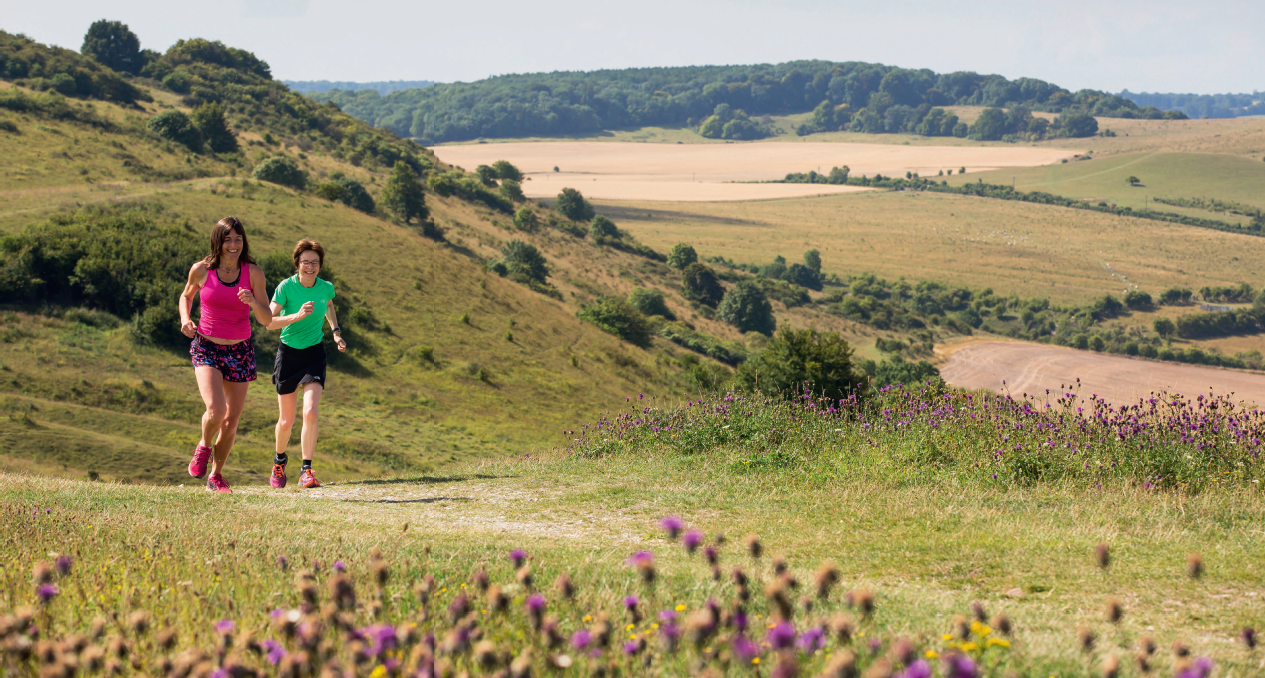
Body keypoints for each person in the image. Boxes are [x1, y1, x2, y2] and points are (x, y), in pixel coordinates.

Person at [179, 216, 272, 494]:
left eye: (238, 239)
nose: (233, 245)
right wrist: (185, 318)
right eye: (228, 239)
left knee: (231, 421)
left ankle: (216, 477)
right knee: (216, 411)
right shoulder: (201, 270)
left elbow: (267, 319)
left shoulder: (253, 273)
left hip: (240, 351)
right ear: (217, 242)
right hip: (207, 346)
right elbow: (186, 296)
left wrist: (253, 301)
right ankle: (204, 447)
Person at [266, 239, 345, 489]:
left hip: (314, 354)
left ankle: (306, 470)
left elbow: (329, 305)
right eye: (305, 262)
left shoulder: (326, 288)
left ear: (320, 265)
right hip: (288, 355)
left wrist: (336, 331)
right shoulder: (285, 288)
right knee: (286, 421)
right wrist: (297, 316)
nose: (310, 266)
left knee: (310, 412)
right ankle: (279, 462)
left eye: (315, 262)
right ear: (297, 264)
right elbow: (269, 321)